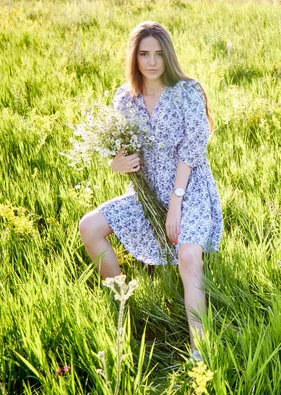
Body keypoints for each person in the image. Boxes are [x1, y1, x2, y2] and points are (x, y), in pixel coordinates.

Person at [78, 21, 224, 362]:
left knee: (188, 256)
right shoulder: (124, 99)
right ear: (135, 57)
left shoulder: (188, 91)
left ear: (168, 55)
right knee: (89, 226)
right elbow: (118, 145)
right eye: (144, 54)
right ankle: (122, 301)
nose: (152, 62)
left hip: (189, 187)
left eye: (159, 54)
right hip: (145, 191)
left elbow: (193, 147)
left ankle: (200, 351)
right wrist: (115, 162)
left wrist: (175, 203)